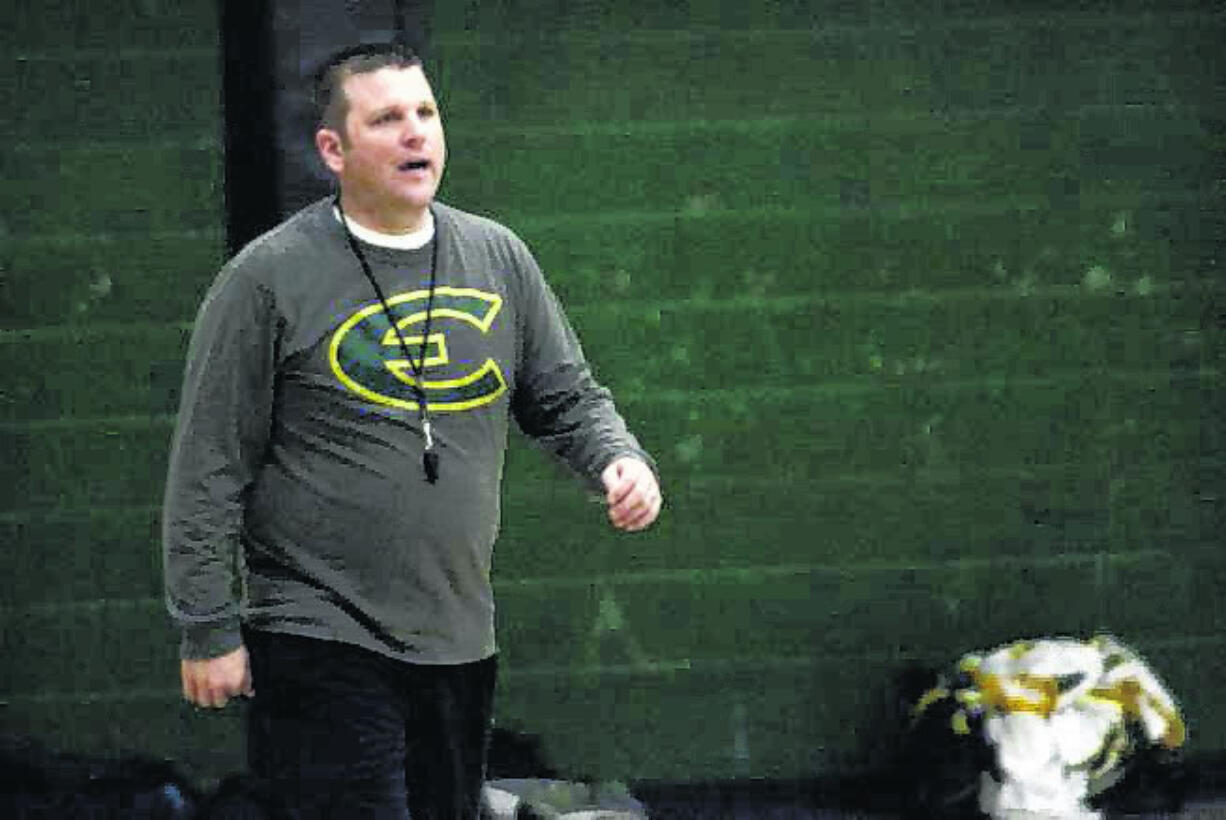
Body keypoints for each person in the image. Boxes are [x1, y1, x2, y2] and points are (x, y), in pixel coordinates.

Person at [162, 42, 662, 819]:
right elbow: (208, 467)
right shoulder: (266, 280)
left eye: (425, 113)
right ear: (333, 149)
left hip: (458, 640)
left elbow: (567, 396)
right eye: (387, 119)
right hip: (319, 633)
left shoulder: (497, 257)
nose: (415, 134)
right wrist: (207, 626)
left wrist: (618, 458)